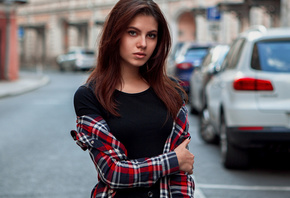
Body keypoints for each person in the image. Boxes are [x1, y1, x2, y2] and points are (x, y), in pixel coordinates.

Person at [71, 0, 195, 197]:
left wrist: (177, 164)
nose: (143, 43)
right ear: (115, 34)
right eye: (132, 32)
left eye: (151, 35)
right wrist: (172, 161)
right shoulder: (91, 96)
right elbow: (113, 172)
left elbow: (182, 174)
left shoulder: (173, 91)